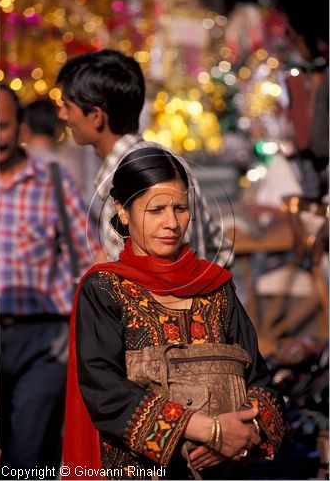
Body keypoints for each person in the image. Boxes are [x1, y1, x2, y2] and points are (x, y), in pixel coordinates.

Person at [63, 147, 285, 480]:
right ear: (123, 211)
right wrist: (207, 430)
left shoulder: (216, 286)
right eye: (155, 210)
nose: (171, 223)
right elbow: (104, 390)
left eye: (180, 208)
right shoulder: (104, 289)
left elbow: (261, 381)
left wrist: (241, 432)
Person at [0, 83, 100, 479]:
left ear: (21, 127)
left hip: (44, 341)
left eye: (1, 126)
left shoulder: (53, 180)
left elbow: (91, 254)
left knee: (27, 454)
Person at [56, 49, 234, 267]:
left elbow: (148, 282)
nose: (62, 115)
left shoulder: (130, 176)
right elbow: (220, 251)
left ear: (95, 116)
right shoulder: (160, 160)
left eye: (67, 106)